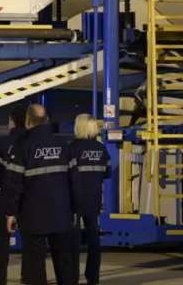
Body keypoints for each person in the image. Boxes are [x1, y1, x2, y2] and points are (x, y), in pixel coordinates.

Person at [1, 104, 76, 285]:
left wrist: (10, 212)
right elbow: (75, 181)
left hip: (33, 215)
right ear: (47, 121)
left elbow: (14, 184)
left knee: (34, 263)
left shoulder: (22, 147)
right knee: (65, 262)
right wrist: (74, 208)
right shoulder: (64, 145)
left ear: (28, 121)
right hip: (61, 213)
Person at [0, 105, 28, 285]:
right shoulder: (31, 141)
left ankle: (1, 277)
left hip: (7, 196)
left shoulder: (2, 143)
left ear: (12, 121)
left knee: (4, 240)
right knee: (29, 238)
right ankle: (27, 275)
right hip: (28, 197)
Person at [69, 114, 111, 285]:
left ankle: (71, 277)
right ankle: (93, 277)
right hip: (94, 198)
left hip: (74, 199)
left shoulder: (72, 148)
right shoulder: (101, 149)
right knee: (94, 239)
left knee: (73, 240)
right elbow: (107, 173)